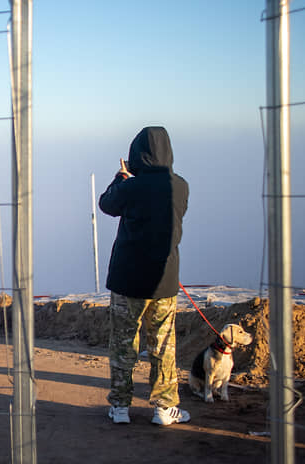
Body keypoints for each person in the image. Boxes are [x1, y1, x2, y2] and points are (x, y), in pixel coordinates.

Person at [99, 126, 190, 426]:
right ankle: (164, 408)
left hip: (127, 279)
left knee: (124, 344)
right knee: (163, 346)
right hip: (164, 279)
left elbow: (106, 204)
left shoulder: (129, 187)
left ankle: (121, 407)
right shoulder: (180, 186)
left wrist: (121, 177)